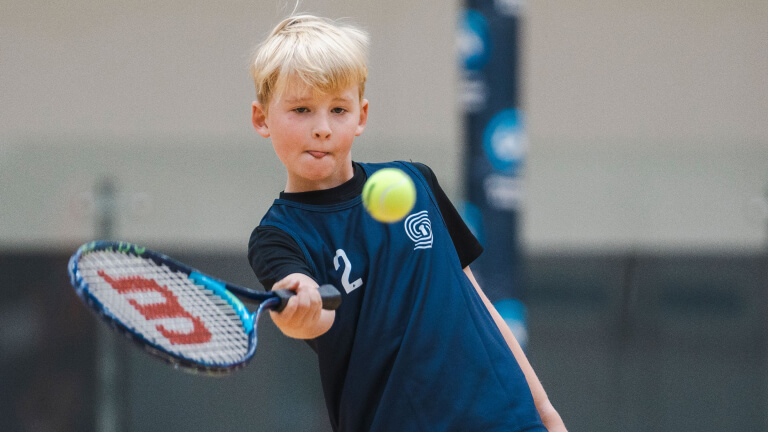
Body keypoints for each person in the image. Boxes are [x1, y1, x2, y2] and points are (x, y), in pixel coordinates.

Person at [247, 14, 567, 432]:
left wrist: (544, 410)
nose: (322, 128)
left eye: (338, 109)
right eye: (302, 109)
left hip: (505, 418)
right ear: (261, 119)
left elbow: (478, 303)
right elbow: (309, 315)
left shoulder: (417, 182)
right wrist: (301, 307)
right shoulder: (277, 237)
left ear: (361, 116)